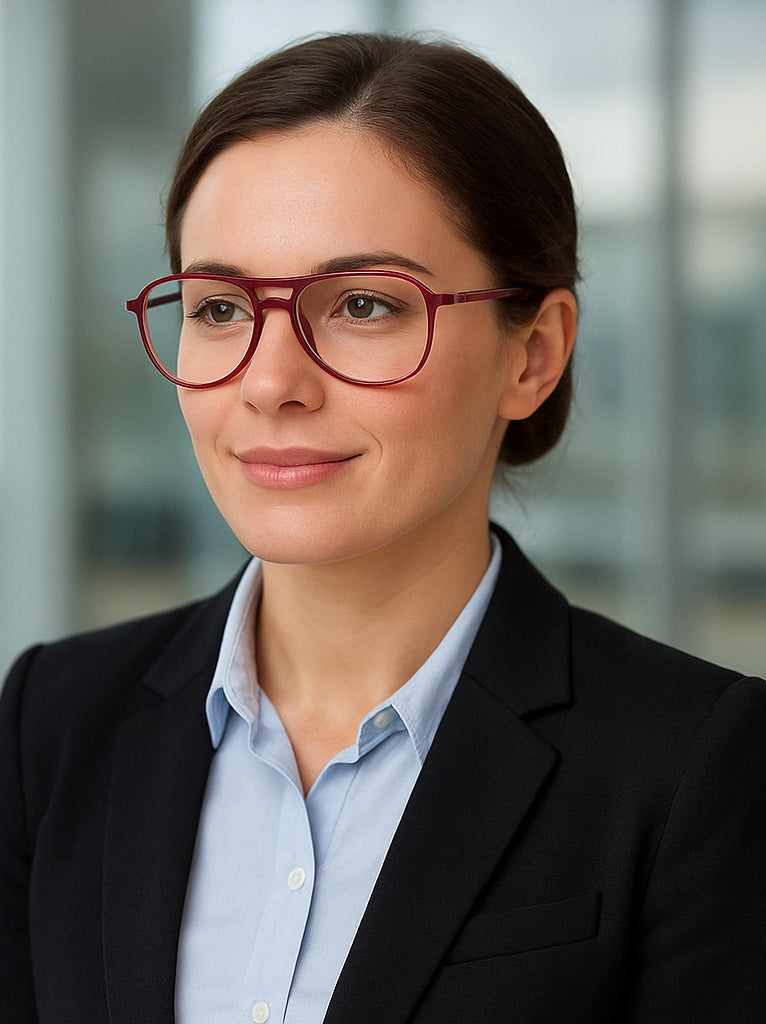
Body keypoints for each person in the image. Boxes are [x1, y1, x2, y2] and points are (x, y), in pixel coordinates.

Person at [1, 32, 764, 1024]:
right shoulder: (54, 719)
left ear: (532, 354)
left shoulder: (691, 766)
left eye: (362, 304)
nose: (270, 382)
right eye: (221, 306)